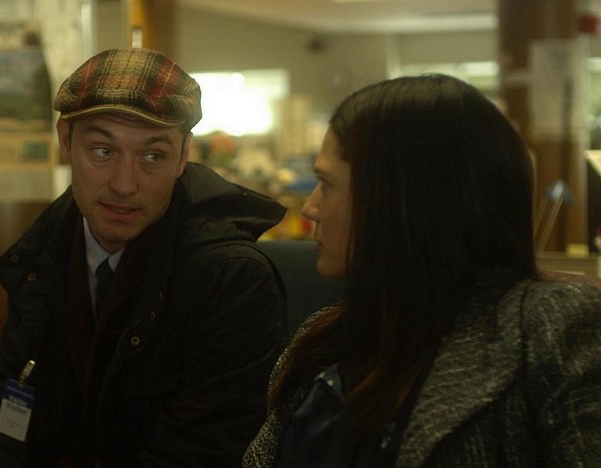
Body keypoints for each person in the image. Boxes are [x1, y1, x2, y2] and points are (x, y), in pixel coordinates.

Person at [243, 74, 601, 467]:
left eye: (326, 183)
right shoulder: (325, 339)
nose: (310, 208)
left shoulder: (551, 328)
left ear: (400, 198)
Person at [0, 47, 288, 467]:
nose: (124, 184)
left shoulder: (230, 279)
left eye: (152, 156)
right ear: (66, 141)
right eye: (103, 151)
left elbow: (199, 456)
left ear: (183, 156)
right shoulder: (46, 246)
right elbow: (10, 414)